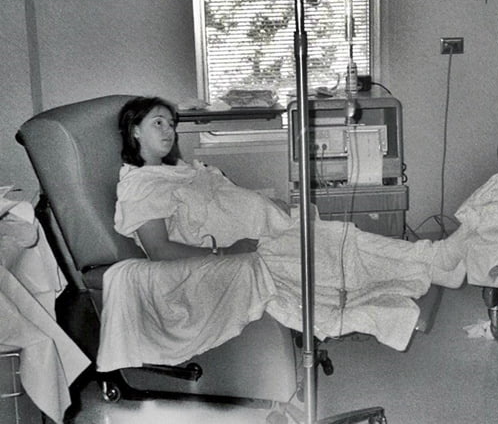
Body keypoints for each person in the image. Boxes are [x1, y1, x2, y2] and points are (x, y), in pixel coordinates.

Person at [111, 95, 465, 353]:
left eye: (171, 123)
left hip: (269, 228)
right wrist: (224, 252)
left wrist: (268, 205)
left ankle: (432, 260)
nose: (169, 130)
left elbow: (224, 200)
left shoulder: (179, 172)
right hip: (247, 251)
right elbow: (158, 249)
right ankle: (424, 268)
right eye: (158, 122)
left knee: (342, 239)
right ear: (135, 132)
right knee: (337, 248)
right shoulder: (141, 186)